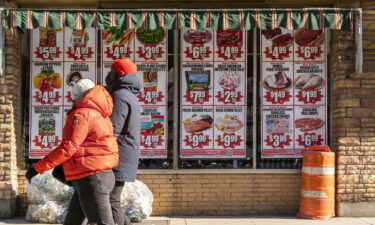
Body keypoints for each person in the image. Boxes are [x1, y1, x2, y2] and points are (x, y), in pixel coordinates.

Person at [26, 79, 119, 225]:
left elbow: (68, 147)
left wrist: (38, 167)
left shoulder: (81, 115)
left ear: (76, 98)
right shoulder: (101, 114)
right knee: (73, 221)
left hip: (91, 177)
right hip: (97, 175)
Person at [105, 59, 141, 225]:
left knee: (111, 201)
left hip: (118, 155)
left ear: (117, 74)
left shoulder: (120, 96)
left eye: (111, 71)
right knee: (113, 200)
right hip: (125, 155)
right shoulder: (129, 95)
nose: (108, 75)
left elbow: (113, 128)